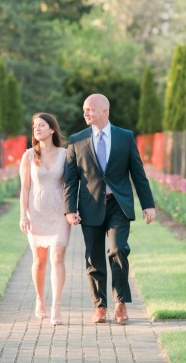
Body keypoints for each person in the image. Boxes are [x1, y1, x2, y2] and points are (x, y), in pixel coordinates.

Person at [63, 93, 155, 324]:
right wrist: (69, 209)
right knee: (94, 257)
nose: (85, 113)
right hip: (89, 206)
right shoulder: (76, 139)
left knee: (118, 250)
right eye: (84, 109)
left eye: (90, 109)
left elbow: (138, 172)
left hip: (118, 205)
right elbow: (70, 179)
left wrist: (148, 204)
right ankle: (100, 306)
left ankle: (121, 303)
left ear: (104, 111)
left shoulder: (125, 137)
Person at [19, 112, 70, 325]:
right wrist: (23, 215)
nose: (37, 129)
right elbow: (25, 188)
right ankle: (40, 299)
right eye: (34, 126)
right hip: (36, 212)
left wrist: (72, 211)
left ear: (52, 129)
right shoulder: (29, 156)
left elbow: (69, 185)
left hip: (59, 213)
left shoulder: (66, 154)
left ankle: (56, 306)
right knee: (39, 261)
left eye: (41, 125)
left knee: (57, 257)